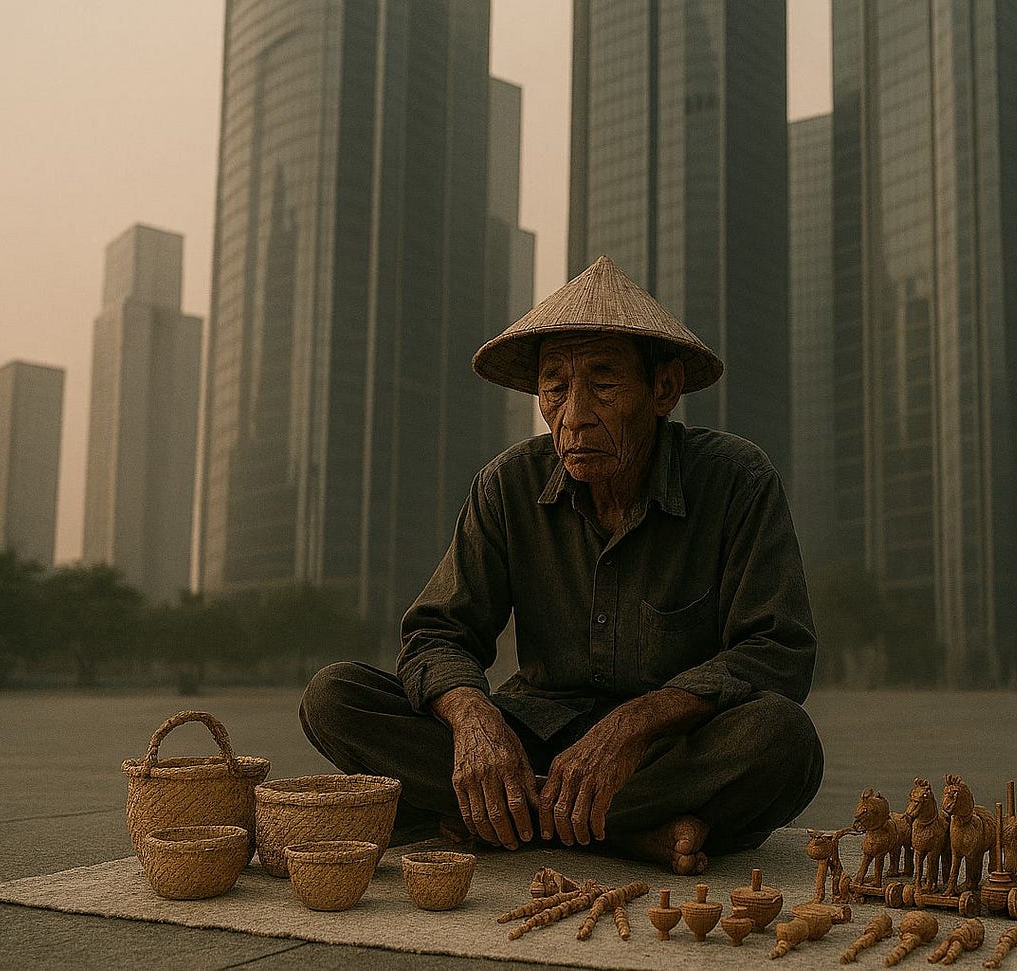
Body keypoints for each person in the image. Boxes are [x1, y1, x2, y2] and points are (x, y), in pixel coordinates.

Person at [301, 255, 823, 874]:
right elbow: (436, 636)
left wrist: (635, 724)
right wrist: (476, 723)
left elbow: (775, 652)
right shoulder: (506, 486)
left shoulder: (737, 479)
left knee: (783, 740)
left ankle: (512, 820)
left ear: (664, 390)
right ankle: (624, 832)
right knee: (333, 697)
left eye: (603, 384)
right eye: (555, 386)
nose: (573, 415)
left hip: (663, 754)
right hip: (529, 738)